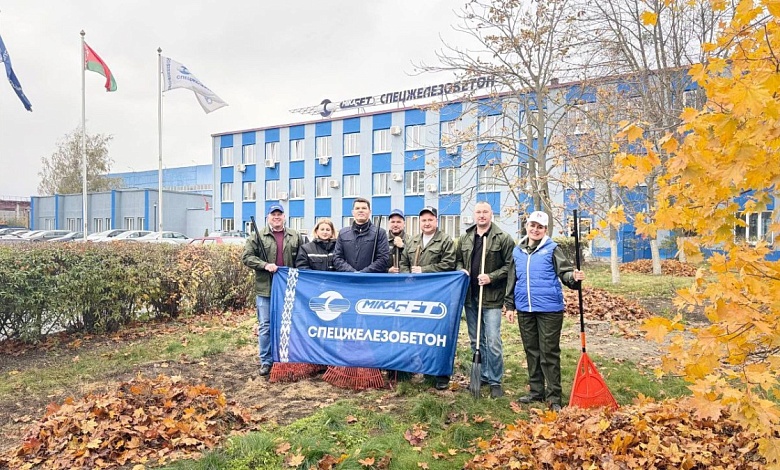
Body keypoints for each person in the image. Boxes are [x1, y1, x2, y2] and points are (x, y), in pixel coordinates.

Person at [504, 210, 585, 411]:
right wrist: (509, 305)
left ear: (545, 230)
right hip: (525, 308)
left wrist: (573, 278)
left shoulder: (552, 249)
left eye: (540, 227)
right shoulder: (518, 251)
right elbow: (512, 279)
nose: (535, 229)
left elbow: (565, 272)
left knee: (548, 352)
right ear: (526, 226)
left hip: (549, 309)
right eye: (532, 225)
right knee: (532, 351)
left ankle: (554, 396)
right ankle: (536, 391)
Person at [455, 201, 514, 399]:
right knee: (476, 340)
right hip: (471, 297)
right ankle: (482, 376)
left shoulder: (503, 238)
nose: (481, 215)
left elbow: (510, 267)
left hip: (492, 298)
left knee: (493, 340)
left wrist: (491, 276)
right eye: (478, 212)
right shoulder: (465, 238)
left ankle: (495, 380)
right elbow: (458, 260)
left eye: (485, 212)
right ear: (474, 215)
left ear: (491, 214)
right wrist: (461, 269)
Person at [242, 204, 305, 377]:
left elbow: (302, 258)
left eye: (280, 214)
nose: (276, 217)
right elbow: (247, 257)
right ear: (268, 217)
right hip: (266, 289)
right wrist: (264, 265)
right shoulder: (258, 236)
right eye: (273, 214)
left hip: (289, 289)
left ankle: (289, 358)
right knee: (266, 326)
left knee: (291, 325)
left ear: (284, 217)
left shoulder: (295, 236)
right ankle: (266, 361)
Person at [400, 206, 456, 390]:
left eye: (430, 219)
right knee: (418, 333)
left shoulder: (445, 240)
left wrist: (424, 271)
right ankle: (420, 368)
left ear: (436, 221)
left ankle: (440, 374)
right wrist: (407, 274)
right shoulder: (413, 241)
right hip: (415, 295)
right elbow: (403, 262)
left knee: (437, 335)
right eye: (423, 220)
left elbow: (449, 263)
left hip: (437, 295)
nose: (426, 223)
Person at [333, 198, 390, 273]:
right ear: (353, 212)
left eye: (364, 208)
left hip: (370, 280)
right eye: (357, 208)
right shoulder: (343, 233)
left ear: (369, 212)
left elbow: (383, 259)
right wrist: (352, 272)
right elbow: (337, 258)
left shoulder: (380, 233)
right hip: (348, 280)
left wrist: (364, 273)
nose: (360, 210)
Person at [387, 208, 407, 274]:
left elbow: (414, 260)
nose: (395, 225)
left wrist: (403, 246)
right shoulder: (382, 240)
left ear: (404, 224)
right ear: (389, 223)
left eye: (398, 222)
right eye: (393, 222)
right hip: (386, 280)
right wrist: (387, 270)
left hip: (405, 280)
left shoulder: (411, 240)